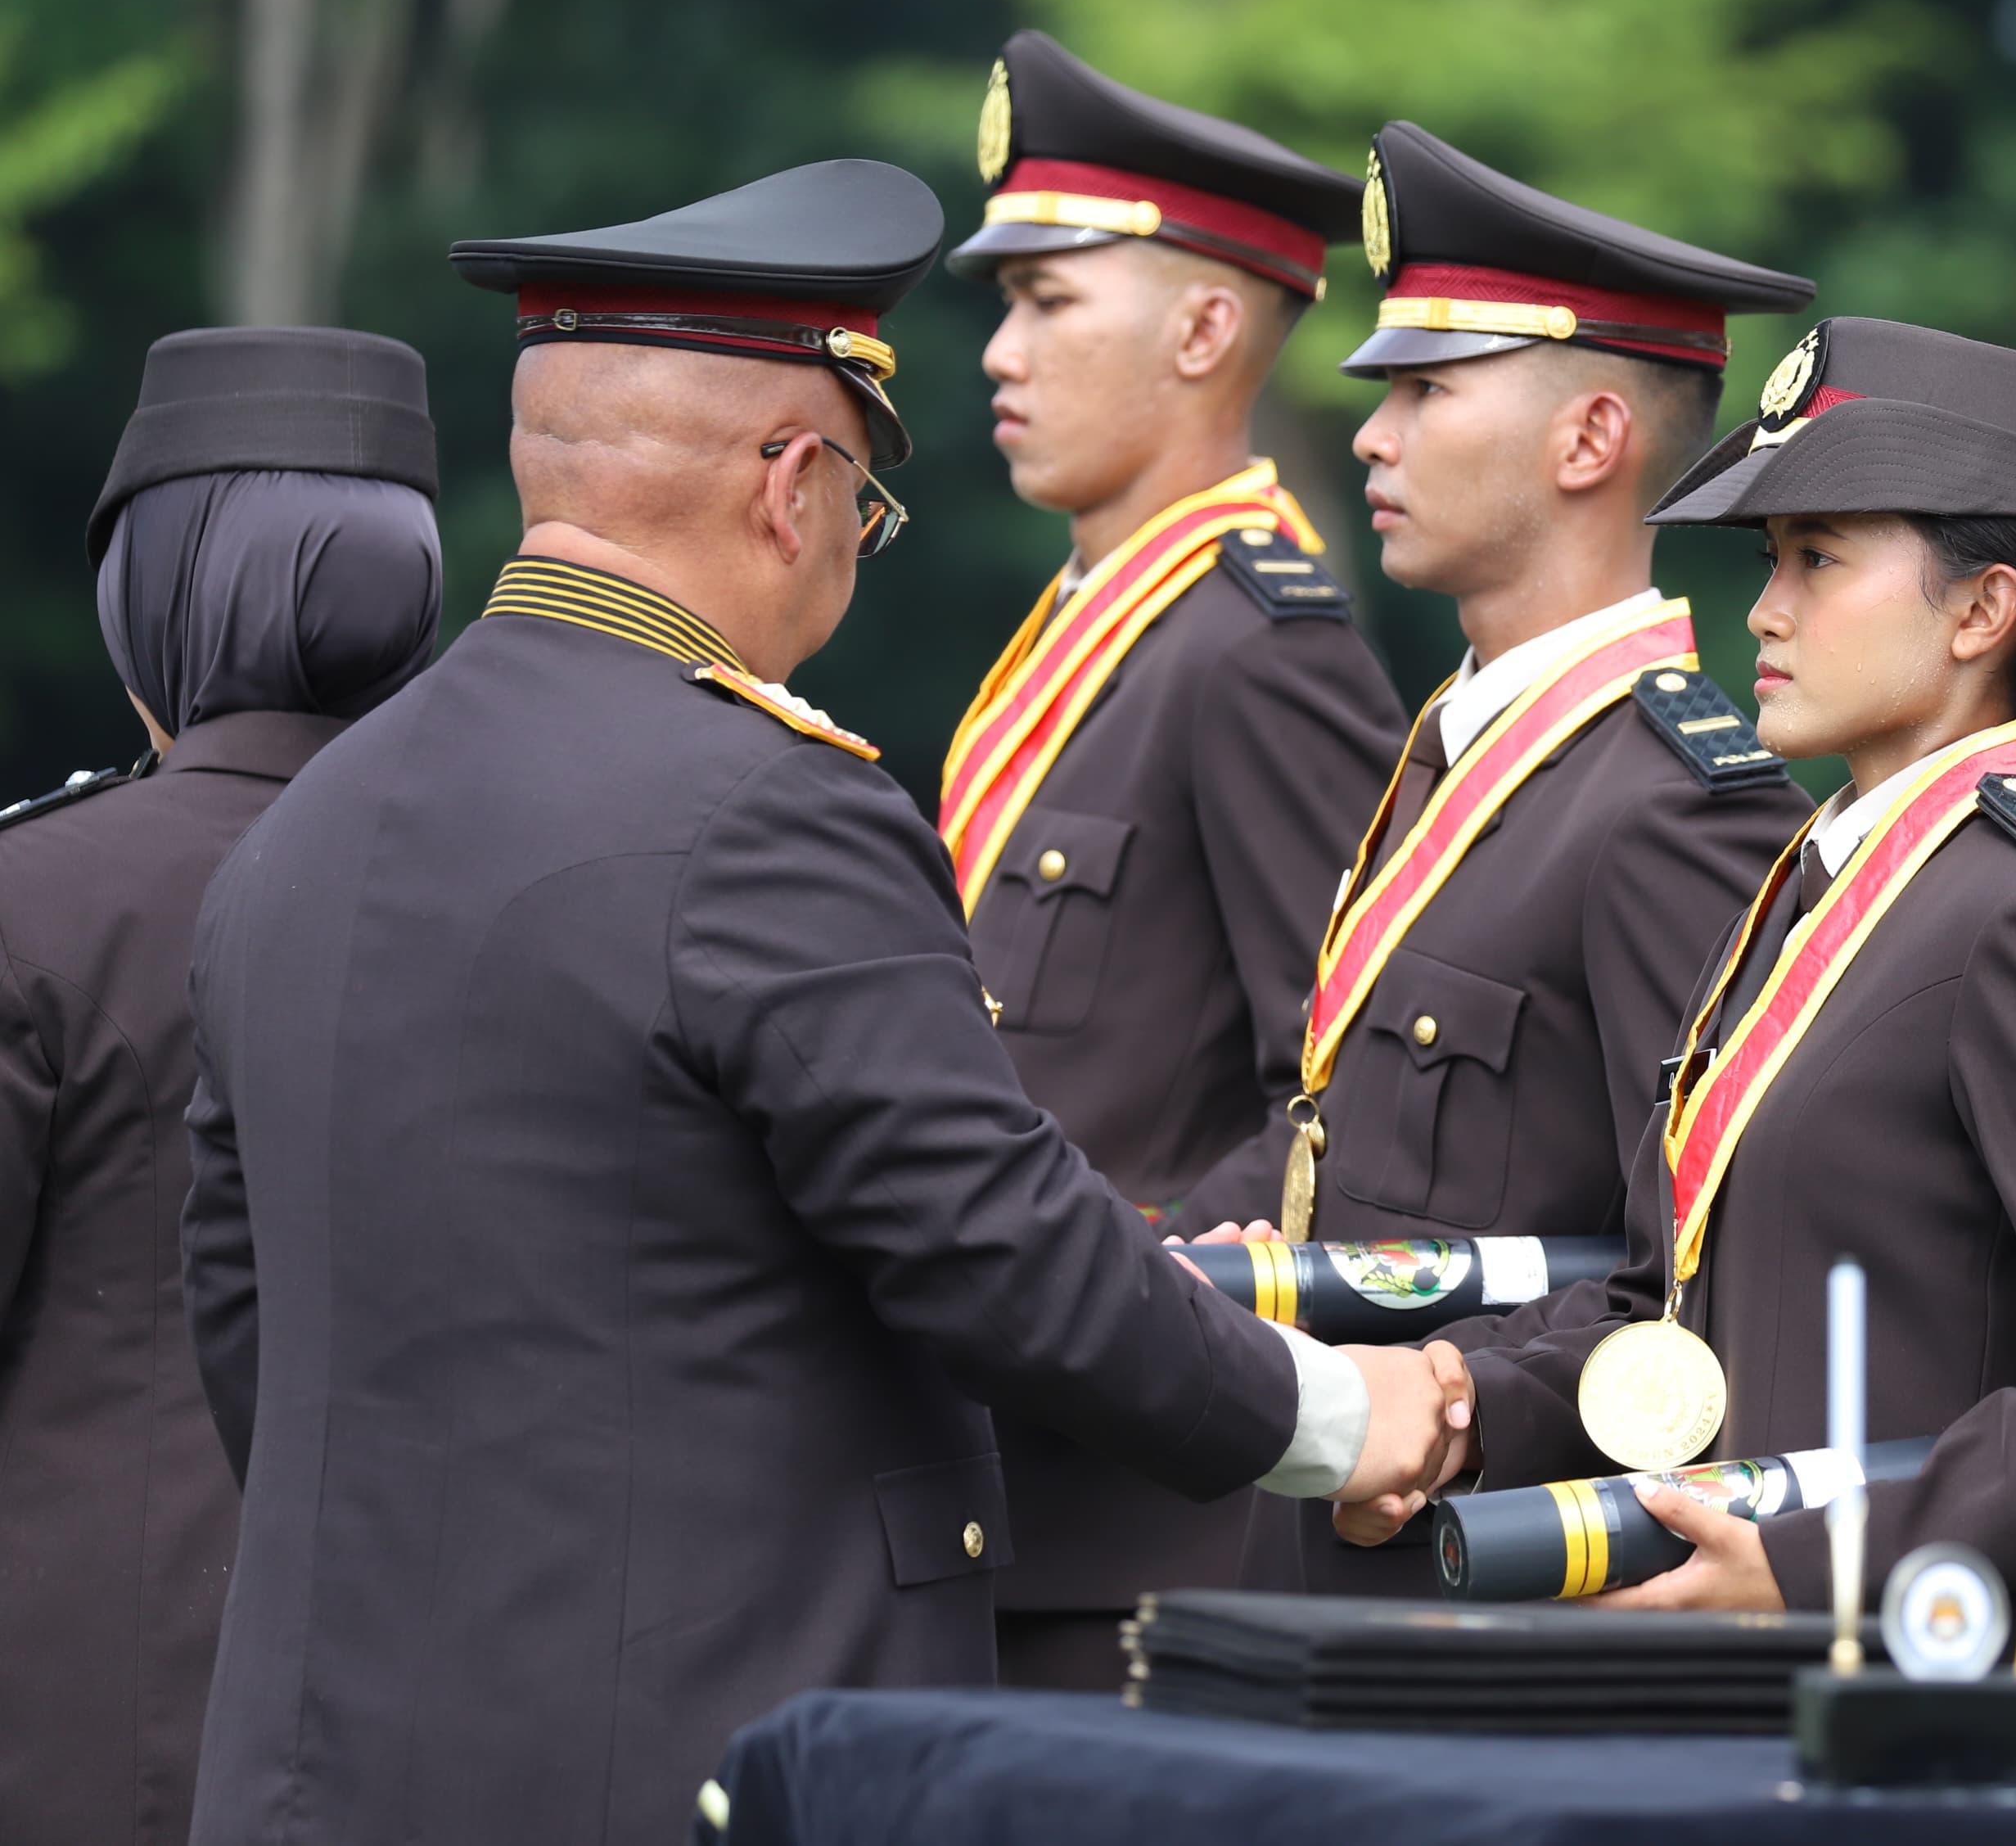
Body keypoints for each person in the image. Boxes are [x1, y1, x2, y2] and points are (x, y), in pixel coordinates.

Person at [178, 161, 1467, 1846]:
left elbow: (239, 1302)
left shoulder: (304, 831)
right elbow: (990, 1236)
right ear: (795, 485)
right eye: (864, 511)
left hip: (317, 1768)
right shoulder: (762, 807)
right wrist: (1323, 1411)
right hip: (688, 1768)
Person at [1367, 315, 2016, 1609]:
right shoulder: (1813, 887)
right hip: (1741, 1668)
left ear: (1983, 610)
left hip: (1926, 1682)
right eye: (1774, 558)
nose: (1766, 610)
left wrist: (1825, 1563)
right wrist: (1462, 1400)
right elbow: (1666, 1311)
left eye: (1819, 558)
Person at [1177, 120, 1815, 1592]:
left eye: (1423, 390)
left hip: (1477, 1568)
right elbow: (1336, 1117)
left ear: (1590, 438)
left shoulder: (1677, 805)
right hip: (1315, 1527)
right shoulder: (1457, 748)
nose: (1368, 435)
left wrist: (1464, 1401)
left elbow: (1702, 1275)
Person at [942, 34, 1408, 1675]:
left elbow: (1346, 1096)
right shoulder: (1103, 632)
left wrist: (1116, 1274)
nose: (998, 351)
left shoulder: (1255, 653)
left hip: (1147, 1522)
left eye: (1049, 302)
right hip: (1019, 1483)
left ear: (1206, 328)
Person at [0, 326, 442, 1846]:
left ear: (152, 599)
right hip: (468, 1709)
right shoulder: (522, 882)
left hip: (84, 1720)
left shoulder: (39, 901)